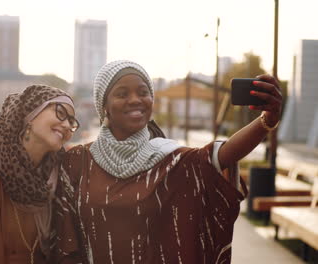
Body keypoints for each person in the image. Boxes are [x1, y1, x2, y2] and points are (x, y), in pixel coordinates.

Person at [55, 60, 282, 263]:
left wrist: (267, 120)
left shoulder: (173, 161)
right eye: (122, 94)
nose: (135, 100)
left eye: (143, 92)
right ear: (103, 105)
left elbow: (223, 154)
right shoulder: (78, 161)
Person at [0, 84, 80, 264]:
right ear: (30, 114)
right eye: (60, 113)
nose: (67, 125)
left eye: (72, 121)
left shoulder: (58, 181)